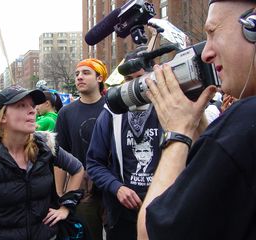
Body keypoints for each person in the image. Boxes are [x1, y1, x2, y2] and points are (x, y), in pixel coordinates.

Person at [137, 1, 256, 239]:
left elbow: (150, 233)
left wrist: (177, 132)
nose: (207, 53)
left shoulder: (245, 120)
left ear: (252, 26)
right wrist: (199, 125)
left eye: (212, 33)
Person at [0, 85, 84, 240]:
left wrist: (66, 207)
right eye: (21, 106)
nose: (32, 110)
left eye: (32, 106)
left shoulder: (45, 146)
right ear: (3, 117)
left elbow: (78, 169)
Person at [86, 36, 162, 240]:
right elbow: (93, 162)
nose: (133, 85)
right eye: (127, 80)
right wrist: (116, 187)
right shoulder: (111, 112)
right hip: (122, 216)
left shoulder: (171, 107)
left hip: (164, 211)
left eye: (138, 77)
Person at [55, 58, 108, 240]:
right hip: (83, 189)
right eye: (77, 74)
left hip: (114, 186)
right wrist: (61, 193)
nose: (79, 77)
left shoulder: (114, 108)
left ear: (99, 78)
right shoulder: (66, 113)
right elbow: (60, 156)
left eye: (86, 73)